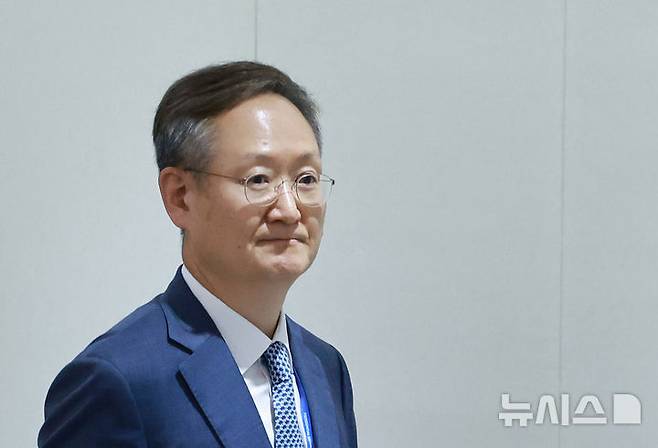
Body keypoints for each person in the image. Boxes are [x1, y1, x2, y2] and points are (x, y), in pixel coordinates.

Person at [38, 61, 357, 448]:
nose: (290, 210)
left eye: (306, 179)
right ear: (180, 196)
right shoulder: (119, 380)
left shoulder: (325, 367)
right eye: (258, 179)